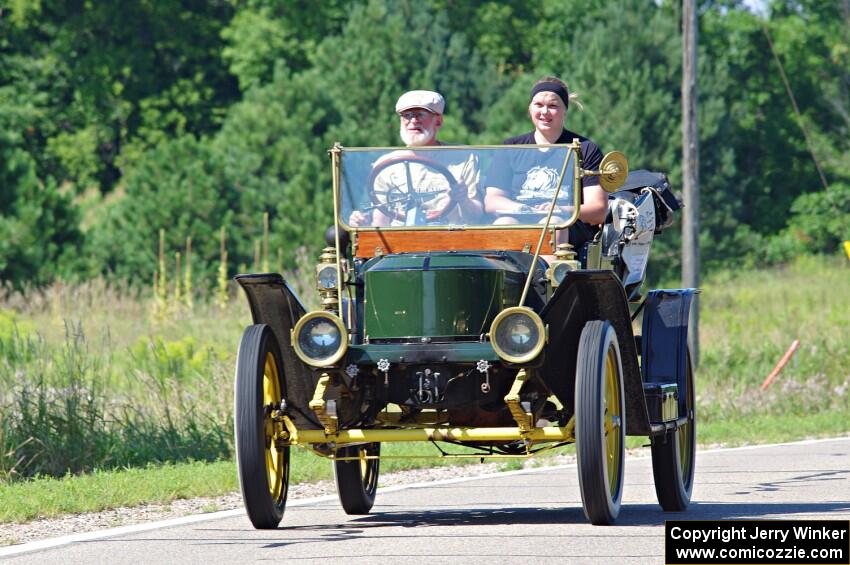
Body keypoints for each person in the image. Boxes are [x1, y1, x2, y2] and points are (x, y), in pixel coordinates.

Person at [483, 77, 608, 249]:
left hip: (568, 226)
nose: (545, 112)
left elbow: (598, 210)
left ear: (565, 110)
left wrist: (560, 210)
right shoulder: (511, 147)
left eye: (553, 106)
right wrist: (524, 209)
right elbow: (492, 201)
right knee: (504, 223)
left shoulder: (585, 149)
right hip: (520, 219)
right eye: (539, 105)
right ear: (529, 108)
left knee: (553, 224)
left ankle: (548, 275)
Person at [349, 90, 482, 226]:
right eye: (407, 115)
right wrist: (364, 224)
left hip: (451, 239)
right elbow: (381, 221)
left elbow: (476, 218)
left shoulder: (463, 157)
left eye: (420, 115)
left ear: (438, 121)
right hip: (400, 242)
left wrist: (463, 199)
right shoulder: (385, 164)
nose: (413, 121)